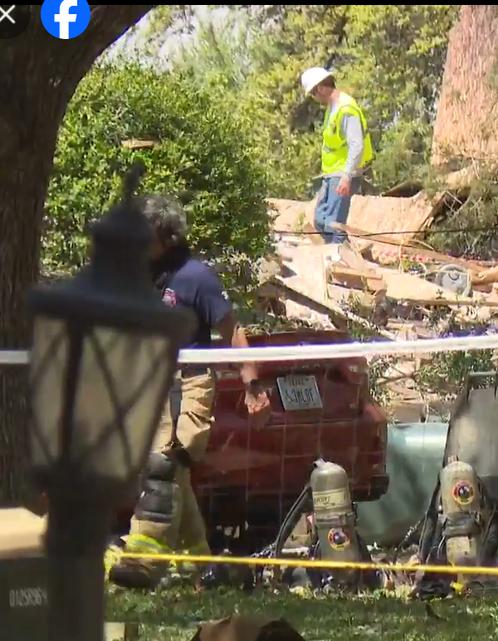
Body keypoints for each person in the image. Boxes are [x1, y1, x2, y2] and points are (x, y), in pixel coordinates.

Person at [107, 195, 272, 590]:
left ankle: (143, 561)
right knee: (173, 475)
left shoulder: (197, 277)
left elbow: (233, 331)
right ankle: (203, 571)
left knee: (164, 466)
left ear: (166, 236)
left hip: (190, 384)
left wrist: (252, 385)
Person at [301, 66, 375, 244]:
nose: (315, 99)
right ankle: (336, 251)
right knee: (320, 219)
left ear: (319, 89)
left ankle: (340, 257)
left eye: (313, 94)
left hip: (343, 174)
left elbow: (356, 145)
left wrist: (347, 176)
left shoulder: (346, 109)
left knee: (334, 225)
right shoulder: (333, 108)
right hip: (332, 173)